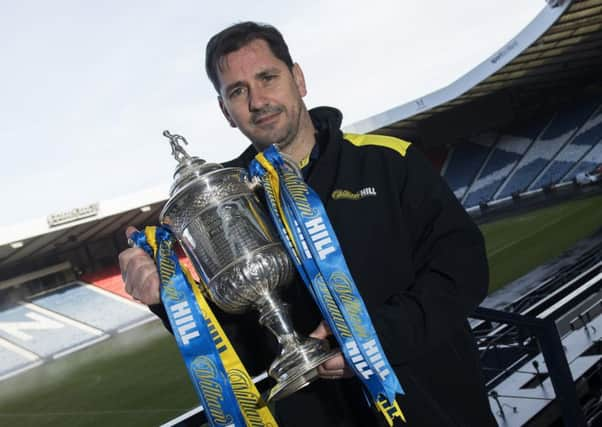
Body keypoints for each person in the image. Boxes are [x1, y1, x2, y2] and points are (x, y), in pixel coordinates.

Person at [119, 21, 497, 426]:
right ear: (225, 111)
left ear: (298, 78)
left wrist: (370, 340)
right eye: (237, 91)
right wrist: (169, 300)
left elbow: (464, 272)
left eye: (267, 77)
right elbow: (244, 352)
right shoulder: (225, 207)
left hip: (439, 411)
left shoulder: (388, 162)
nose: (258, 100)